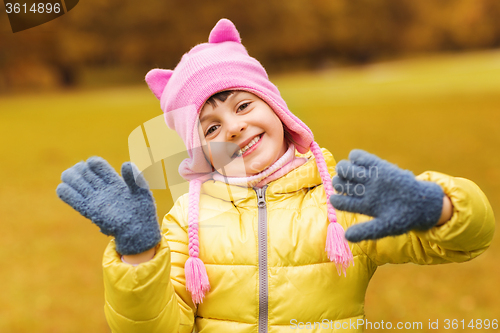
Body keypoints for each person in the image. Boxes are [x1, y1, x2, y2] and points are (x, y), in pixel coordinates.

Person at [56, 19, 495, 332]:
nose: (233, 126)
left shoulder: (338, 198)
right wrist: (139, 254)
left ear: (276, 108)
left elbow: (470, 239)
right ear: (200, 150)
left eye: (243, 105)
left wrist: (435, 206)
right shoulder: (187, 221)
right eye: (210, 127)